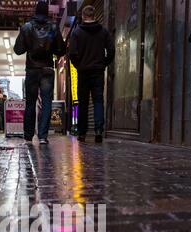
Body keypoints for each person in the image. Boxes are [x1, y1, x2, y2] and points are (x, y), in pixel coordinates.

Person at [14, 1, 66, 145]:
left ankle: (28, 136)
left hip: (32, 69)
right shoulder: (54, 27)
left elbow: (18, 49)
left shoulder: (26, 27)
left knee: (30, 103)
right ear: (47, 11)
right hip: (48, 69)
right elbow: (61, 50)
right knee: (47, 102)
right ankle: (43, 136)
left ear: (35, 11)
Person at [69, 5, 115, 143]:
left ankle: (82, 133)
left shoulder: (76, 33)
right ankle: (98, 131)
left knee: (83, 103)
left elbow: (72, 54)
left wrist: (79, 66)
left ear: (83, 16)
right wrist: (103, 63)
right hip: (98, 71)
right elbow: (111, 50)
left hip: (83, 72)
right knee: (98, 101)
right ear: (94, 16)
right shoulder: (103, 31)